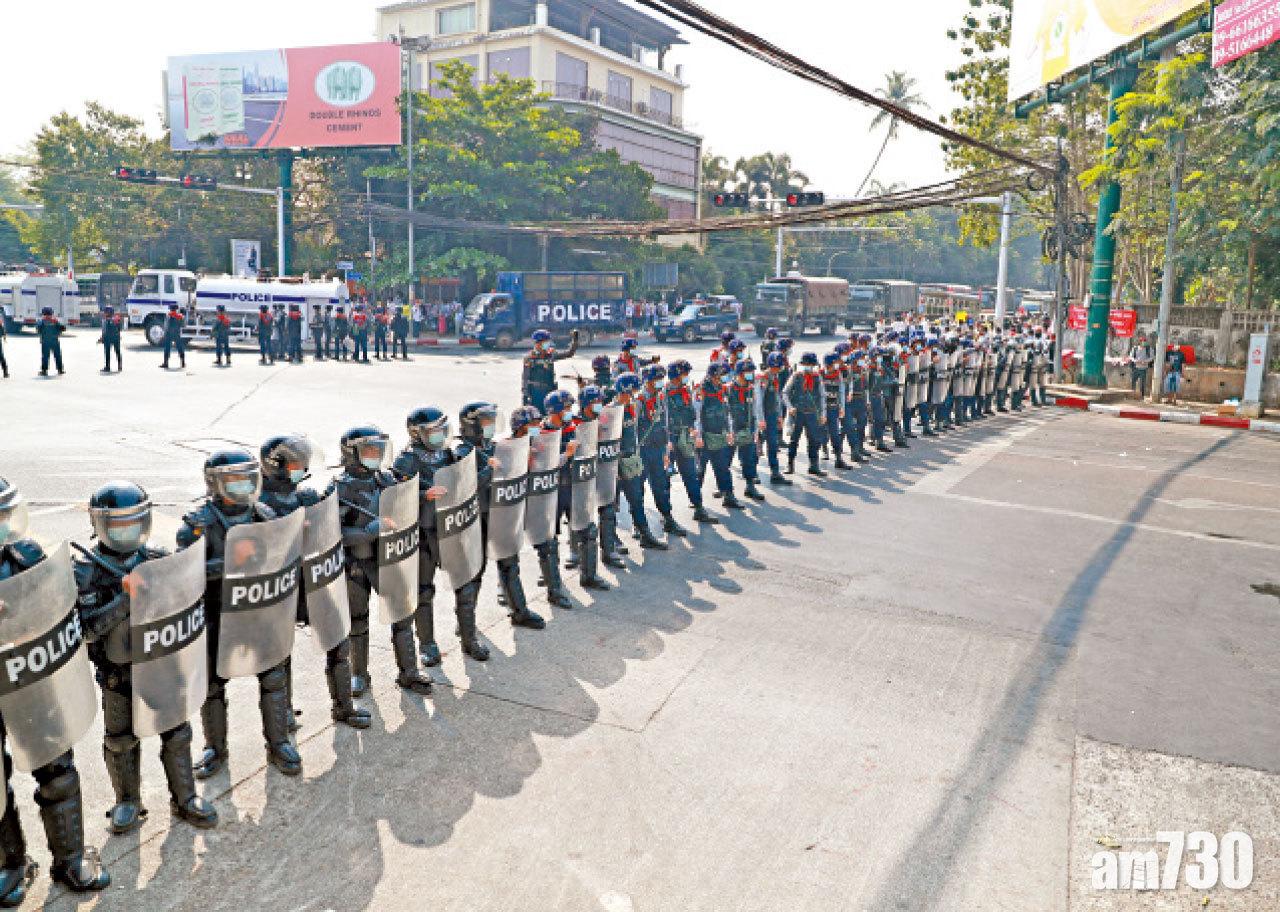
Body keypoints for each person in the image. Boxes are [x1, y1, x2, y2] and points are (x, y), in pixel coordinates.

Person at [73, 481, 220, 835]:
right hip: (117, 671)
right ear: (100, 525)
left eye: (134, 522)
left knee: (177, 731)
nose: (127, 531)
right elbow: (86, 630)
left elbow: (181, 605)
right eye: (118, 524)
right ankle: (128, 801)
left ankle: (184, 797)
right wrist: (124, 600)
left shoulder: (156, 557)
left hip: (160, 663)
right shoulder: (86, 571)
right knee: (120, 739)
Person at [0, 478, 113, 901]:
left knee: (56, 768)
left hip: (31, 677)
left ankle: (69, 859)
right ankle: (10, 863)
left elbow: (58, 608)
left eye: (4, 515)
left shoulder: (26, 555)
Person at [176, 450, 303, 779]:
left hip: (258, 611)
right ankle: (215, 749)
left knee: (273, 678)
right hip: (217, 616)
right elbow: (183, 576)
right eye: (234, 480)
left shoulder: (263, 513)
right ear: (214, 483)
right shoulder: (198, 523)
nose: (244, 485)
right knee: (214, 686)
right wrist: (231, 559)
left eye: (248, 477)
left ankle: (278, 743)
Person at [256, 436, 370, 731]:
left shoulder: (304, 495)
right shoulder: (257, 505)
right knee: (279, 660)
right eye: (296, 464)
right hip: (279, 590)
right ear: (276, 466)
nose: (302, 468)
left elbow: (330, 528)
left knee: (339, 642)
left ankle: (343, 707)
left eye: (304, 463)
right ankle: (283, 718)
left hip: (313, 581)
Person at [334, 426, 433, 696]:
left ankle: (409, 671)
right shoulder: (341, 488)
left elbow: (405, 500)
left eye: (378, 450)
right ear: (352, 453)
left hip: (388, 557)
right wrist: (366, 532)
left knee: (402, 613)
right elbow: (332, 533)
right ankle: (359, 674)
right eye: (369, 450)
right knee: (358, 621)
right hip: (357, 563)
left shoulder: (385, 479)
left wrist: (423, 496)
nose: (375, 455)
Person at [393, 407, 491, 665]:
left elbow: (465, 483)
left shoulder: (448, 453)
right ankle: (427, 644)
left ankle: (469, 640)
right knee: (424, 591)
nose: (440, 435)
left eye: (441, 429)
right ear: (418, 433)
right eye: (434, 430)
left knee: (465, 585)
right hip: (425, 534)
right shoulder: (406, 461)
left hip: (452, 528)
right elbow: (394, 498)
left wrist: (487, 470)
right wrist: (423, 495)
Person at [458, 402, 548, 628]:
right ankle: (465, 624)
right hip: (476, 516)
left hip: (500, 511)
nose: (490, 426)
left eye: (491, 421)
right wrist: (490, 469)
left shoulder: (494, 445)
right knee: (474, 572)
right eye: (486, 422)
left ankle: (519, 611)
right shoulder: (460, 451)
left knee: (509, 562)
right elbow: (467, 486)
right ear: (473, 425)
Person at [636, 365, 690, 536]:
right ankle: (638, 524)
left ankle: (667, 518)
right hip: (642, 450)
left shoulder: (660, 397)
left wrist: (667, 447)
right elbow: (634, 428)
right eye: (656, 379)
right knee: (638, 489)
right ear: (648, 381)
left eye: (661, 378)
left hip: (658, 448)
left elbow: (665, 421)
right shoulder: (639, 400)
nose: (660, 382)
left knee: (661, 485)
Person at [664, 361, 719, 524]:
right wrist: (667, 442)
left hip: (685, 437)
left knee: (691, 474)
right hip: (670, 439)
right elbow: (663, 418)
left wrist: (695, 431)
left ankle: (699, 508)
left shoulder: (686, 390)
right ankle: (667, 517)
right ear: (676, 375)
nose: (687, 377)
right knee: (665, 478)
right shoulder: (664, 393)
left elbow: (693, 412)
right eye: (684, 374)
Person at [727, 360, 766, 500]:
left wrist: (755, 430)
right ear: (740, 374)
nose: (751, 374)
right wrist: (730, 431)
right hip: (732, 430)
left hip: (747, 429)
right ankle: (726, 491)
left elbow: (755, 409)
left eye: (751, 371)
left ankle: (750, 487)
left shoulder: (751, 388)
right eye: (748, 372)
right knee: (725, 461)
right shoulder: (729, 389)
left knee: (749, 459)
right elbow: (726, 412)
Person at [784, 352, 827, 476]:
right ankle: (790, 465)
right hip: (797, 414)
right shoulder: (795, 376)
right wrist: (790, 407)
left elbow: (822, 396)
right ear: (802, 364)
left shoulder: (817, 378)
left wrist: (823, 414)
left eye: (810, 364)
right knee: (794, 440)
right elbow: (785, 393)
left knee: (814, 440)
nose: (808, 366)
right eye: (806, 364)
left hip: (812, 414)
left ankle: (814, 466)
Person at [521, 329, 579, 410]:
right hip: (536, 392)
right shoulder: (530, 358)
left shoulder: (551, 354)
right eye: (545, 342)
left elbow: (569, 354)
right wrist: (525, 395)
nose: (548, 344)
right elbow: (525, 378)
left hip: (549, 391)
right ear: (538, 343)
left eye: (548, 342)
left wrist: (575, 341)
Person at [759, 352, 792, 483]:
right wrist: (761, 419)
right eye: (778, 366)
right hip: (765, 416)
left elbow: (777, 398)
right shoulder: (764, 378)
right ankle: (752, 475)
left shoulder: (775, 376)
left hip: (772, 415)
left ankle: (775, 473)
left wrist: (779, 416)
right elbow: (759, 401)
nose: (780, 368)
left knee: (772, 444)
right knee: (757, 445)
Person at [819, 353, 851, 470]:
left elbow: (842, 391)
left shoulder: (838, 375)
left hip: (833, 408)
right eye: (835, 362)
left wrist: (842, 407)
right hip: (822, 410)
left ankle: (838, 459)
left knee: (835, 434)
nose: (837, 365)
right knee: (822, 431)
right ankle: (824, 450)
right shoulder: (820, 374)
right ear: (829, 363)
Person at [37, 305, 66, 376]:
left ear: (43, 314)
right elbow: (63, 328)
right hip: (55, 341)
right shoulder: (55, 321)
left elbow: (38, 330)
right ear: (52, 313)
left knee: (45, 356)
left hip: (45, 342)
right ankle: (60, 370)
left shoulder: (41, 321)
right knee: (58, 356)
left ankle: (44, 371)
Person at [99, 304, 124, 373]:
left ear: (108, 312)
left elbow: (104, 330)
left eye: (105, 312)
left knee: (107, 352)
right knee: (118, 351)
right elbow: (120, 328)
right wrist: (118, 335)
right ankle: (120, 366)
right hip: (116, 337)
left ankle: (107, 367)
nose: (104, 313)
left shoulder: (105, 320)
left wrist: (102, 338)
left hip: (108, 338)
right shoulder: (117, 319)